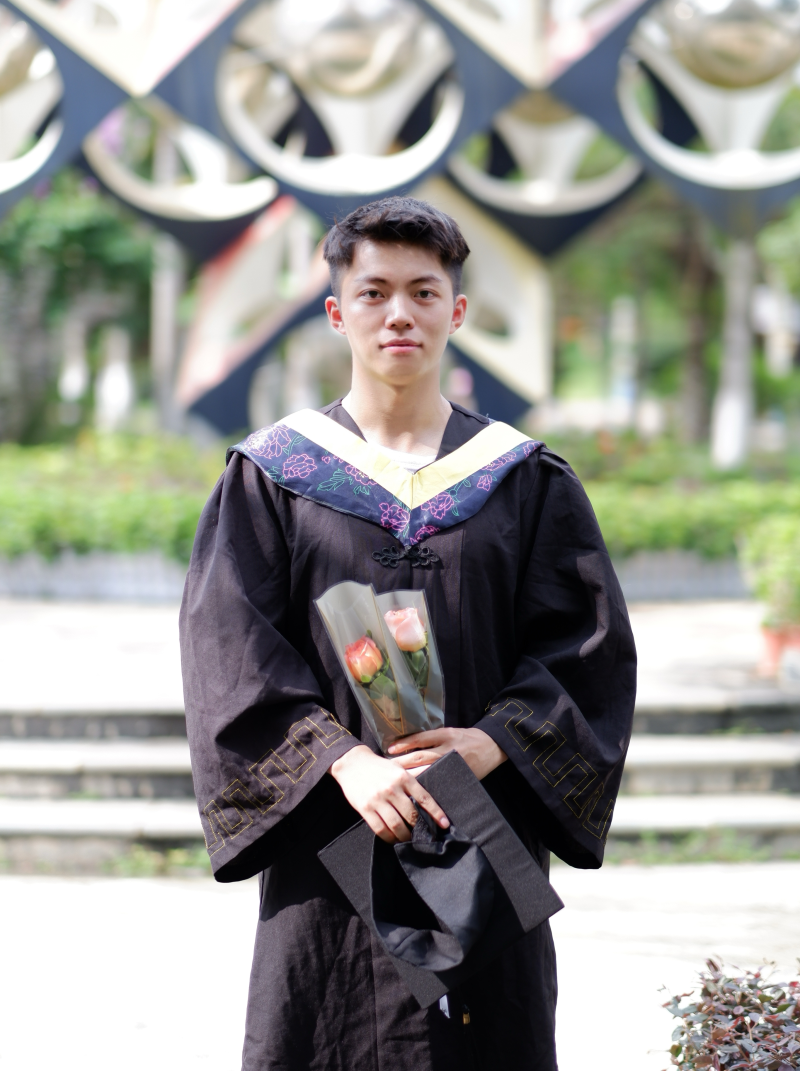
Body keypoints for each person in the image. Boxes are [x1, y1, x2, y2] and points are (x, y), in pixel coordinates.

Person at [180, 195, 637, 1071]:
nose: (400, 314)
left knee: (489, 1038)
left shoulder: (522, 478)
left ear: (456, 311)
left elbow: (588, 649)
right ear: (336, 311)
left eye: (424, 293)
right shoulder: (275, 475)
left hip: (483, 822)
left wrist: (497, 742)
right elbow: (229, 652)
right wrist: (342, 762)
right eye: (375, 292)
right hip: (333, 832)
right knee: (329, 1030)